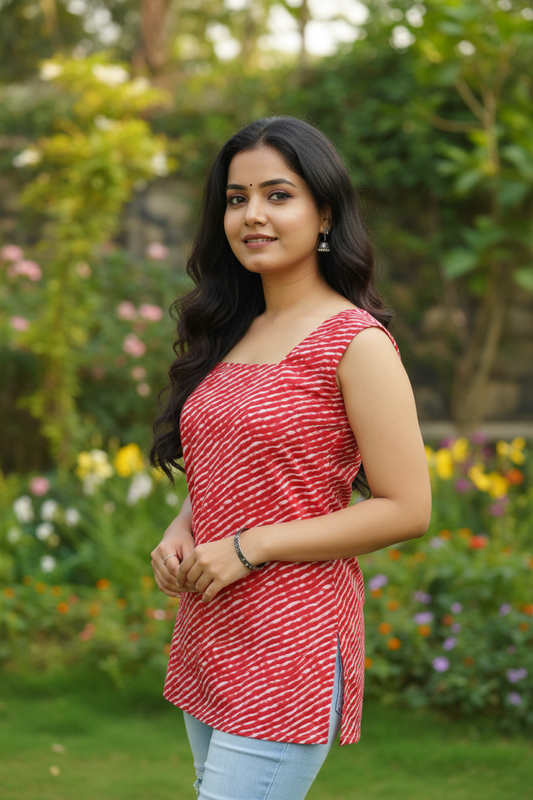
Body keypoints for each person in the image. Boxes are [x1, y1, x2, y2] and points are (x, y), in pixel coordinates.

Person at [150, 116, 431, 800]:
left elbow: (408, 508)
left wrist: (249, 547)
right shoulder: (236, 329)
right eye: (236, 197)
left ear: (324, 211)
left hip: (291, 637)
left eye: (278, 195)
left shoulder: (355, 343)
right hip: (212, 622)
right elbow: (233, 459)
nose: (252, 215)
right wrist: (182, 525)